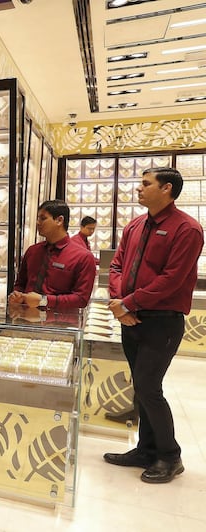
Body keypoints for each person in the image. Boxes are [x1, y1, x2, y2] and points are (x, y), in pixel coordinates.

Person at [104, 167, 203, 484]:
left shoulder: (188, 229)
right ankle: (146, 449)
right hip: (130, 318)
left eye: (146, 184)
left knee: (149, 388)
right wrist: (121, 305)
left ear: (167, 189)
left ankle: (170, 456)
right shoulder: (135, 225)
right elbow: (117, 265)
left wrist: (129, 303)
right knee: (141, 388)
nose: (139, 189)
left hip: (162, 322)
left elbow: (172, 280)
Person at [8, 199, 96, 310]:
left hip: (61, 324)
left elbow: (81, 299)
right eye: (38, 218)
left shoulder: (83, 257)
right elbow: (20, 283)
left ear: (59, 220)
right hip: (26, 320)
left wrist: (44, 300)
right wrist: (17, 296)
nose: (37, 222)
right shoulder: (32, 251)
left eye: (43, 218)